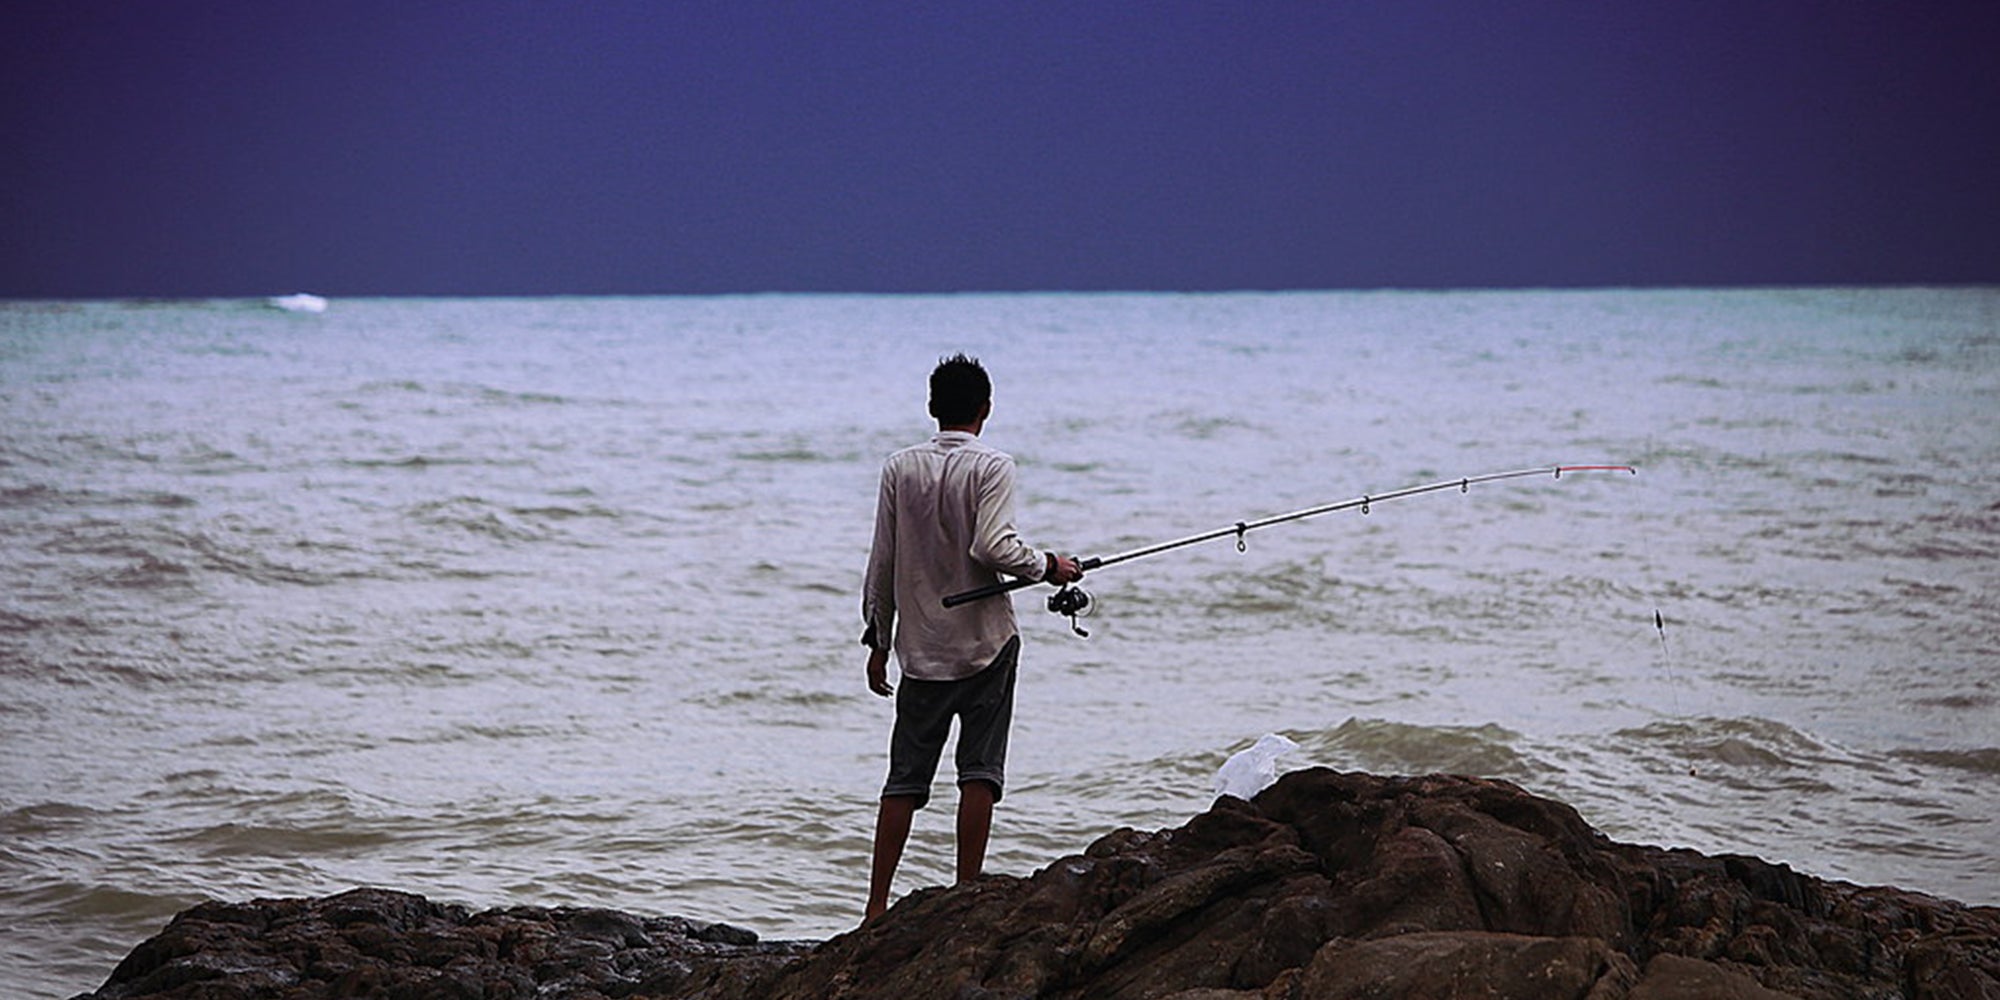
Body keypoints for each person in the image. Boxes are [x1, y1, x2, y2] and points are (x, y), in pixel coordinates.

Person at [859, 353, 1082, 923]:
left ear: (933, 408)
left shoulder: (899, 468)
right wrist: (1050, 565)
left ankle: (876, 905)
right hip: (986, 644)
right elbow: (993, 547)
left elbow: (881, 559)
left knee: (904, 780)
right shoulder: (994, 466)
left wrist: (878, 637)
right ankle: (965, 894)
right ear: (986, 409)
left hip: (921, 650)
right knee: (979, 772)